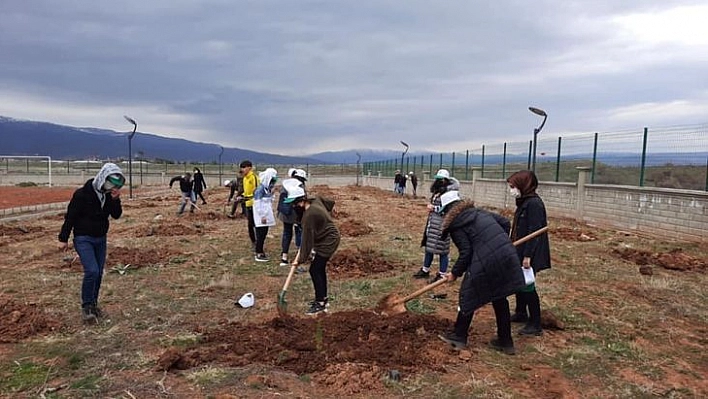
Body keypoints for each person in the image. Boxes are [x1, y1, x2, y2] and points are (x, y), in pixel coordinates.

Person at [437, 190, 526, 355]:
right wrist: (497, 242)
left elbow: (466, 252)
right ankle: (505, 341)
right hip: (506, 254)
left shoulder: (457, 224)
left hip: (488, 260)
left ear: (447, 210)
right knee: (499, 296)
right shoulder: (478, 212)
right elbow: (505, 223)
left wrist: (455, 273)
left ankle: (458, 336)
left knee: (468, 294)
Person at [58, 163, 125, 324]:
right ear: (102, 177)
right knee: (92, 271)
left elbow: (116, 215)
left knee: (99, 273)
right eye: (109, 183)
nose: (110, 187)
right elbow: (71, 216)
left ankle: (94, 305)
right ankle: (86, 307)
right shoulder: (82, 194)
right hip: (83, 238)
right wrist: (63, 238)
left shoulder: (108, 196)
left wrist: (116, 200)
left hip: (100, 238)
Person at [507, 170, 551, 336]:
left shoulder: (534, 204)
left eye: (513, 186)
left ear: (523, 185)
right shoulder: (523, 201)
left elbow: (535, 231)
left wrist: (527, 256)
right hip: (519, 248)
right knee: (520, 281)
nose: (512, 189)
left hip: (529, 251)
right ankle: (521, 312)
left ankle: (535, 323)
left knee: (528, 285)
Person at [285, 185, 340, 315]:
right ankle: (323, 298)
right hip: (326, 238)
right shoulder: (315, 200)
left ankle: (320, 303)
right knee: (319, 269)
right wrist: (324, 218)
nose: (293, 207)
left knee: (315, 269)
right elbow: (330, 203)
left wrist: (300, 260)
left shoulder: (309, 216)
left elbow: (307, 241)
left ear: (301, 201)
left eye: (294, 204)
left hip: (328, 241)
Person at [413, 169, 455, 283]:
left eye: (440, 179)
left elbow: (449, 210)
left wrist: (434, 208)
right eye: (437, 179)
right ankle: (425, 270)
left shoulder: (450, 194)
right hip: (432, 225)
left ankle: (442, 275)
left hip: (442, 226)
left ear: (445, 180)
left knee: (442, 250)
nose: (437, 181)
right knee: (429, 248)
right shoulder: (438, 192)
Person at [277, 169, 307, 266]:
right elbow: (302, 200)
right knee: (299, 231)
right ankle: (300, 254)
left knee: (287, 233)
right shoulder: (300, 185)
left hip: (285, 213)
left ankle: (284, 256)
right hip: (295, 213)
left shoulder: (286, 184)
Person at [252, 167, 278, 262]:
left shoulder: (267, 189)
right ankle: (258, 253)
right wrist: (262, 215)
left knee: (263, 234)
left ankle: (261, 251)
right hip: (261, 216)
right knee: (260, 234)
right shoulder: (260, 189)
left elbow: (270, 201)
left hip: (266, 215)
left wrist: (272, 193)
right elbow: (257, 204)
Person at [240, 160, 259, 253]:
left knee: (256, 224)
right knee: (250, 224)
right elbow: (246, 191)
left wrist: (250, 198)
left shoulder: (253, 177)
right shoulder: (244, 178)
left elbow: (257, 191)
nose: (242, 169)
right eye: (242, 167)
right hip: (247, 204)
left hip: (254, 204)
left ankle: (258, 243)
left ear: (249, 167)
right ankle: (253, 242)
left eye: (244, 167)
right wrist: (242, 196)